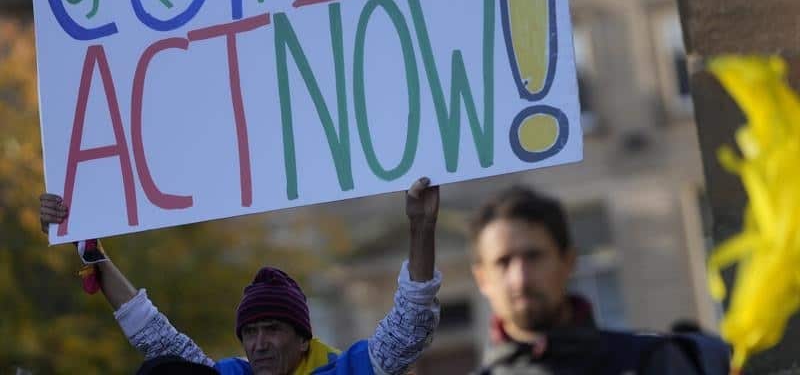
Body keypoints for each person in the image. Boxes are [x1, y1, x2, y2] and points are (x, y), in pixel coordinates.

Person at [40, 177, 441, 375]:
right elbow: (151, 333)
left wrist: (421, 228)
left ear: (304, 338)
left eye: (271, 329)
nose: (259, 344)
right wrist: (86, 247)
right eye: (250, 333)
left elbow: (409, 331)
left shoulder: (346, 370)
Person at [468, 185, 729, 375]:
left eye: (533, 256)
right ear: (482, 279)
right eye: (503, 262)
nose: (520, 278)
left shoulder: (651, 360)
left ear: (568, 261)